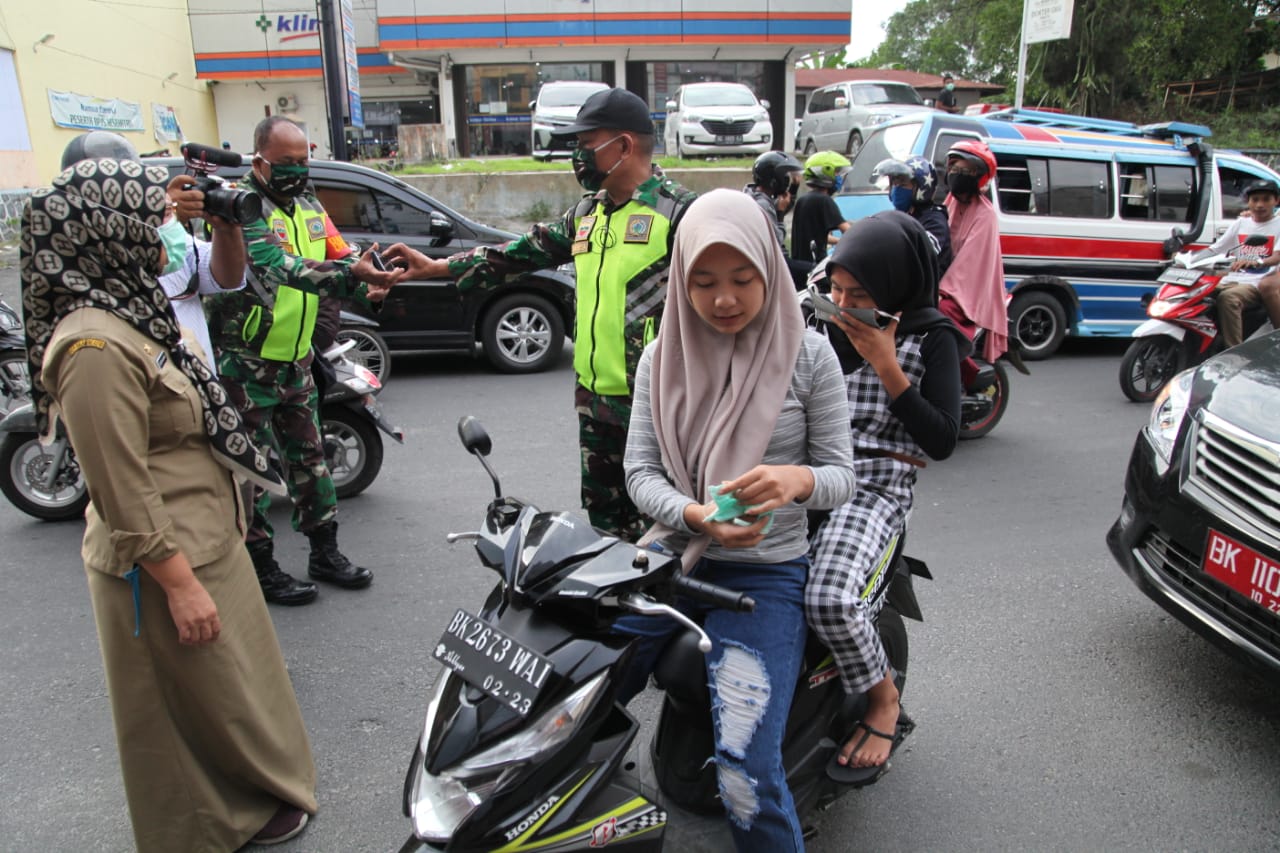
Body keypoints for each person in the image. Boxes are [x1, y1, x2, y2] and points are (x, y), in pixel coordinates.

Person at [21, 157, 317, 851]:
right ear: (109, 233)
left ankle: (250, 793)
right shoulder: (93, 343)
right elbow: (120, 485)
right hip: (162, 556)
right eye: (154, 220)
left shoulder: (129, 306)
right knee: (177, 704)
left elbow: (224, 278)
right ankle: (207, 824)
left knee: (223, 688)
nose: (169, 233)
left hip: (203, 534)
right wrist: (178, 584)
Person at [620, 189, 856, 850]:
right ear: (681, 280)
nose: (724, 298)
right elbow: (640, 475)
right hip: (671, 556)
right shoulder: (660, 358)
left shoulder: (810, 356)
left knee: (746, 767)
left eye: (742, 278)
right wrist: (695, 513)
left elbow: (842, 476)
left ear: (769, 268)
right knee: (575, 689)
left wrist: (795, 480)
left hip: (765, 577)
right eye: (703, 281)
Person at [383, 88, 697, 541]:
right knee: (606, 528)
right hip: (595, 405)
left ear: (624, 146)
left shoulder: (680, 215)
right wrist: (437, 267)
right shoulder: (588, 213)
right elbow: (519, 254)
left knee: (662, 529)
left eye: (587, 145)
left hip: (656, 408)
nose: (577, 156)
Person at [206, 115, 404, 605]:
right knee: (250, 471)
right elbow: (277, 266)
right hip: (246, 362)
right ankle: (261, 567)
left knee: (310, 460)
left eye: (303, 161)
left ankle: (324, 552)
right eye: (287, 163)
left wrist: (371, 280)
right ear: (259, 162)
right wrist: (346, 275)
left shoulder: (309, 203)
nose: (298, 171)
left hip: (296, 357)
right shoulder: (243, 206)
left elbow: (342, 250)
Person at [804, 212, 966, 782]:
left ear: (896, 289)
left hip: (875, 485)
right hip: (806, 472)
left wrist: (885, 362)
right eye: (837, 290)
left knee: (829, 599)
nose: (845, 305)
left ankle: (882, 698)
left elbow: (943, 439)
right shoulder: (819, 320)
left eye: (861, 296)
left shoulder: (934, 337)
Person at [938, 139, 1008, 387]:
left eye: (965, 171)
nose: (957, 175)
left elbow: (968, 266)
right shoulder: (950, 203)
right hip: (945, 282)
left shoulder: (985, 214)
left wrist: (940, 290)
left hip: (967, 292)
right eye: (954, 169)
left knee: (939, 314)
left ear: (978, 176)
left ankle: (962, 371)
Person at [1189, 179, 1280, 347]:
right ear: (1248, 202)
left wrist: (1257, 261)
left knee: (1228, 298)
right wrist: (1188, 259)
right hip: (1229, 279)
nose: (1260, 205)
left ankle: (1233, 351)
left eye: (1266, 199)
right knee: (1194, 291)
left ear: (1276, 201)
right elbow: (1216, 249)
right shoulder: (1240, 223)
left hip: (1257, 283)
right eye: (1255, 199)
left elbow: (1276, 256)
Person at [871, 155, 952, 274]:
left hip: (926, 289)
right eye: (894, 183)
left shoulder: (934, 220)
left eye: (903, 184)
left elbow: (921, 255)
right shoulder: (902, 215)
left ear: (921, 188)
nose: (897, 188)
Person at [790, 150, 851, 265]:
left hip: (801, 264)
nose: (839, 178)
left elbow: (817, 236)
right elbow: (848, 231)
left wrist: (838, 241)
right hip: (816, 265)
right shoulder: (824, 200)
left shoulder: (803, 200)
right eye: (836, 173)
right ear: (825, 174)